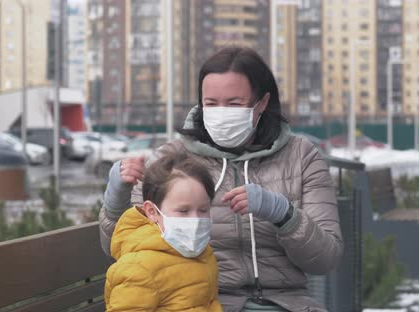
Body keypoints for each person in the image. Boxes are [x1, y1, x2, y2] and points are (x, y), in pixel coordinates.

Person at [99, 47, 342, 312]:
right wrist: (115, 198)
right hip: (206, 300)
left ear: (261, 103)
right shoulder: (171, 160)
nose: (221, 112)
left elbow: (325, 259)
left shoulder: (301, 156)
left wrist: (284, 215)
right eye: (211, 104)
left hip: (287, 303)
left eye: (234, 103)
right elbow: (125, 245)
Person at [103, 153, 223, 312]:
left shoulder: (202, 252)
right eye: (183, 211)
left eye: (203, 210)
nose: (195, 220)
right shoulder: (138, 269)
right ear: (152, 211)